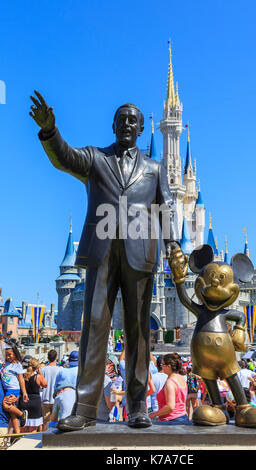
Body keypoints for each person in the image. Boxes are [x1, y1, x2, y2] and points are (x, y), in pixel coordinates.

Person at [30, 92, 181, 431]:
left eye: (133, 120)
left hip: (141, 253)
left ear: (141, 129)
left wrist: (172, 245)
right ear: (113, 125)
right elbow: (64, 158)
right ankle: (84, 408)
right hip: (101, 252)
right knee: (95, 328)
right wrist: (50, 132)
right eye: (121, 118)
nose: (127, 123)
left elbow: (167, 208)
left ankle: (138, 407)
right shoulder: (95, 159)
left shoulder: (154, 169)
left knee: (139, 332)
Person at [149, 353, 190, 425]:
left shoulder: (170, 382)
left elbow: (170, 406)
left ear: (169, 366)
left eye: (163, 365)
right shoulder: (181, 378)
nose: (162, 367)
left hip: (172, 420)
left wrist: (154, 414)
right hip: (182, 417)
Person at [0, 345, 28, 433]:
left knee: (5, 405)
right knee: (12, 414)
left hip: (13, 389)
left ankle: (22, 414)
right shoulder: (5, 364)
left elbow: (21, 380)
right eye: (6, 355)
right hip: (7, 389)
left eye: (10, 354)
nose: (8, 357)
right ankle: (17, 433)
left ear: (15, 354)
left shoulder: (17, 365)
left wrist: (24, 393)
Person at [19, 358, 48, 432]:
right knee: (33, 429)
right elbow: (45, 384)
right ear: (37, 367)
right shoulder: (37, 376)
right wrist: (40, 372)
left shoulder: (22, 376)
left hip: (24, 401)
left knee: (23, 427)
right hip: (35, 403)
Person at [41, 349, 61, 431]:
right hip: (56, 398)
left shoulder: (43, 369)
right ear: (56, 358)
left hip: (45, 398)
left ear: (48, 358)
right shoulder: (60, 369)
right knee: (56, 421)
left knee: (45, 423)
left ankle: (44, 439)